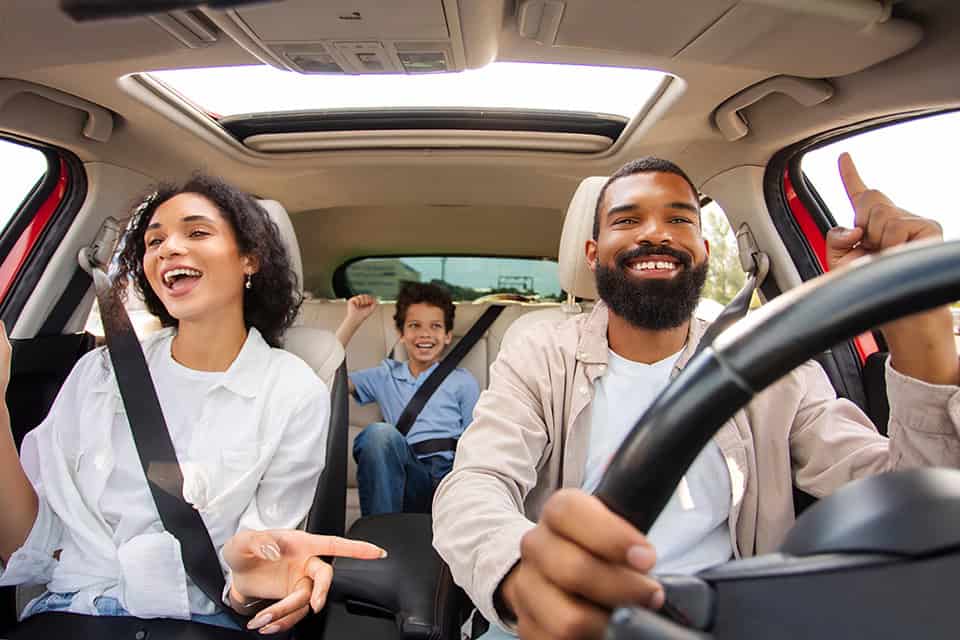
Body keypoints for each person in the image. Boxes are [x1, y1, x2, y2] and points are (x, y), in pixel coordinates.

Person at [432, 154, 960, 639]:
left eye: (680, 219)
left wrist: (921, 337)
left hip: (715, 619)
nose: (655, 233)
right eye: (627, 220)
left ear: (704, 249)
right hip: (556, 617)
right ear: (593, 254)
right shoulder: (539, 353)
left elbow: (909, 504)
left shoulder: (771, 364)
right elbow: (475, 484)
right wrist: (522, 572)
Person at [0, 175, 384, 635]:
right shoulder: (99, 373)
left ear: (249, 259)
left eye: (197, 232)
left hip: (199, 621)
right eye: (153, 241)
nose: (169, 249)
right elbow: (26, 546)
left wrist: (249, 582)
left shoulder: (292, 390)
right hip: (68, 613)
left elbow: (253, 575)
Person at [335, 282, 480, 516]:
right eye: (414, 325)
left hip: (448, 480)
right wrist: (353, 320)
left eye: (435, 326)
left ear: (447, 336)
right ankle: (380, 530)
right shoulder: (385, 375)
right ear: (401, 334)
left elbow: (475, 441)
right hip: (405, 475)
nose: (425, 334)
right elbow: (328, 379)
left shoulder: (462, 381)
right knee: (378, 434)